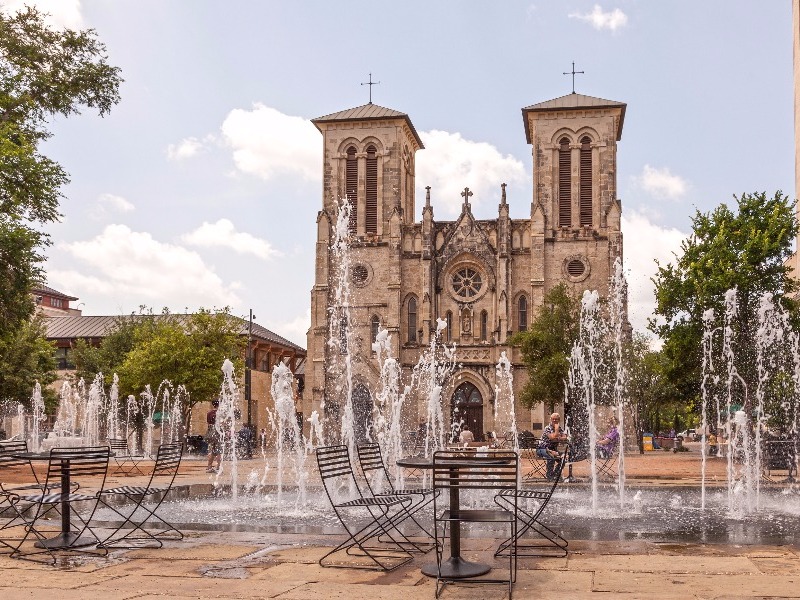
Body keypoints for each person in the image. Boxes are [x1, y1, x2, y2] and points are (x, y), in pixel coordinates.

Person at [538, 412, 567, 479]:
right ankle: (549, 476)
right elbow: (552, 437)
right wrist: (557, 431)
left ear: (559, 420)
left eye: (556, 419)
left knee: (564, 459)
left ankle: (554, 474)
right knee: (551, 456)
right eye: (553, 419)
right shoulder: (547, 428)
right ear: (550, 419)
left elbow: (565, 437)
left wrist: (559, 436)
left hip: (553, 450)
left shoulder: (560, 428)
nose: (554, 420)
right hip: (542, 449)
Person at [206, 400, 221, 473]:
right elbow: (222, 423)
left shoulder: (209, 413)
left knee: (212, 450)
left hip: (210, 432)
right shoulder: (220, 413)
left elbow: (208, 423)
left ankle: (209, 466)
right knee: (219, 451)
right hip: (218, 432)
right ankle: (218, 467)